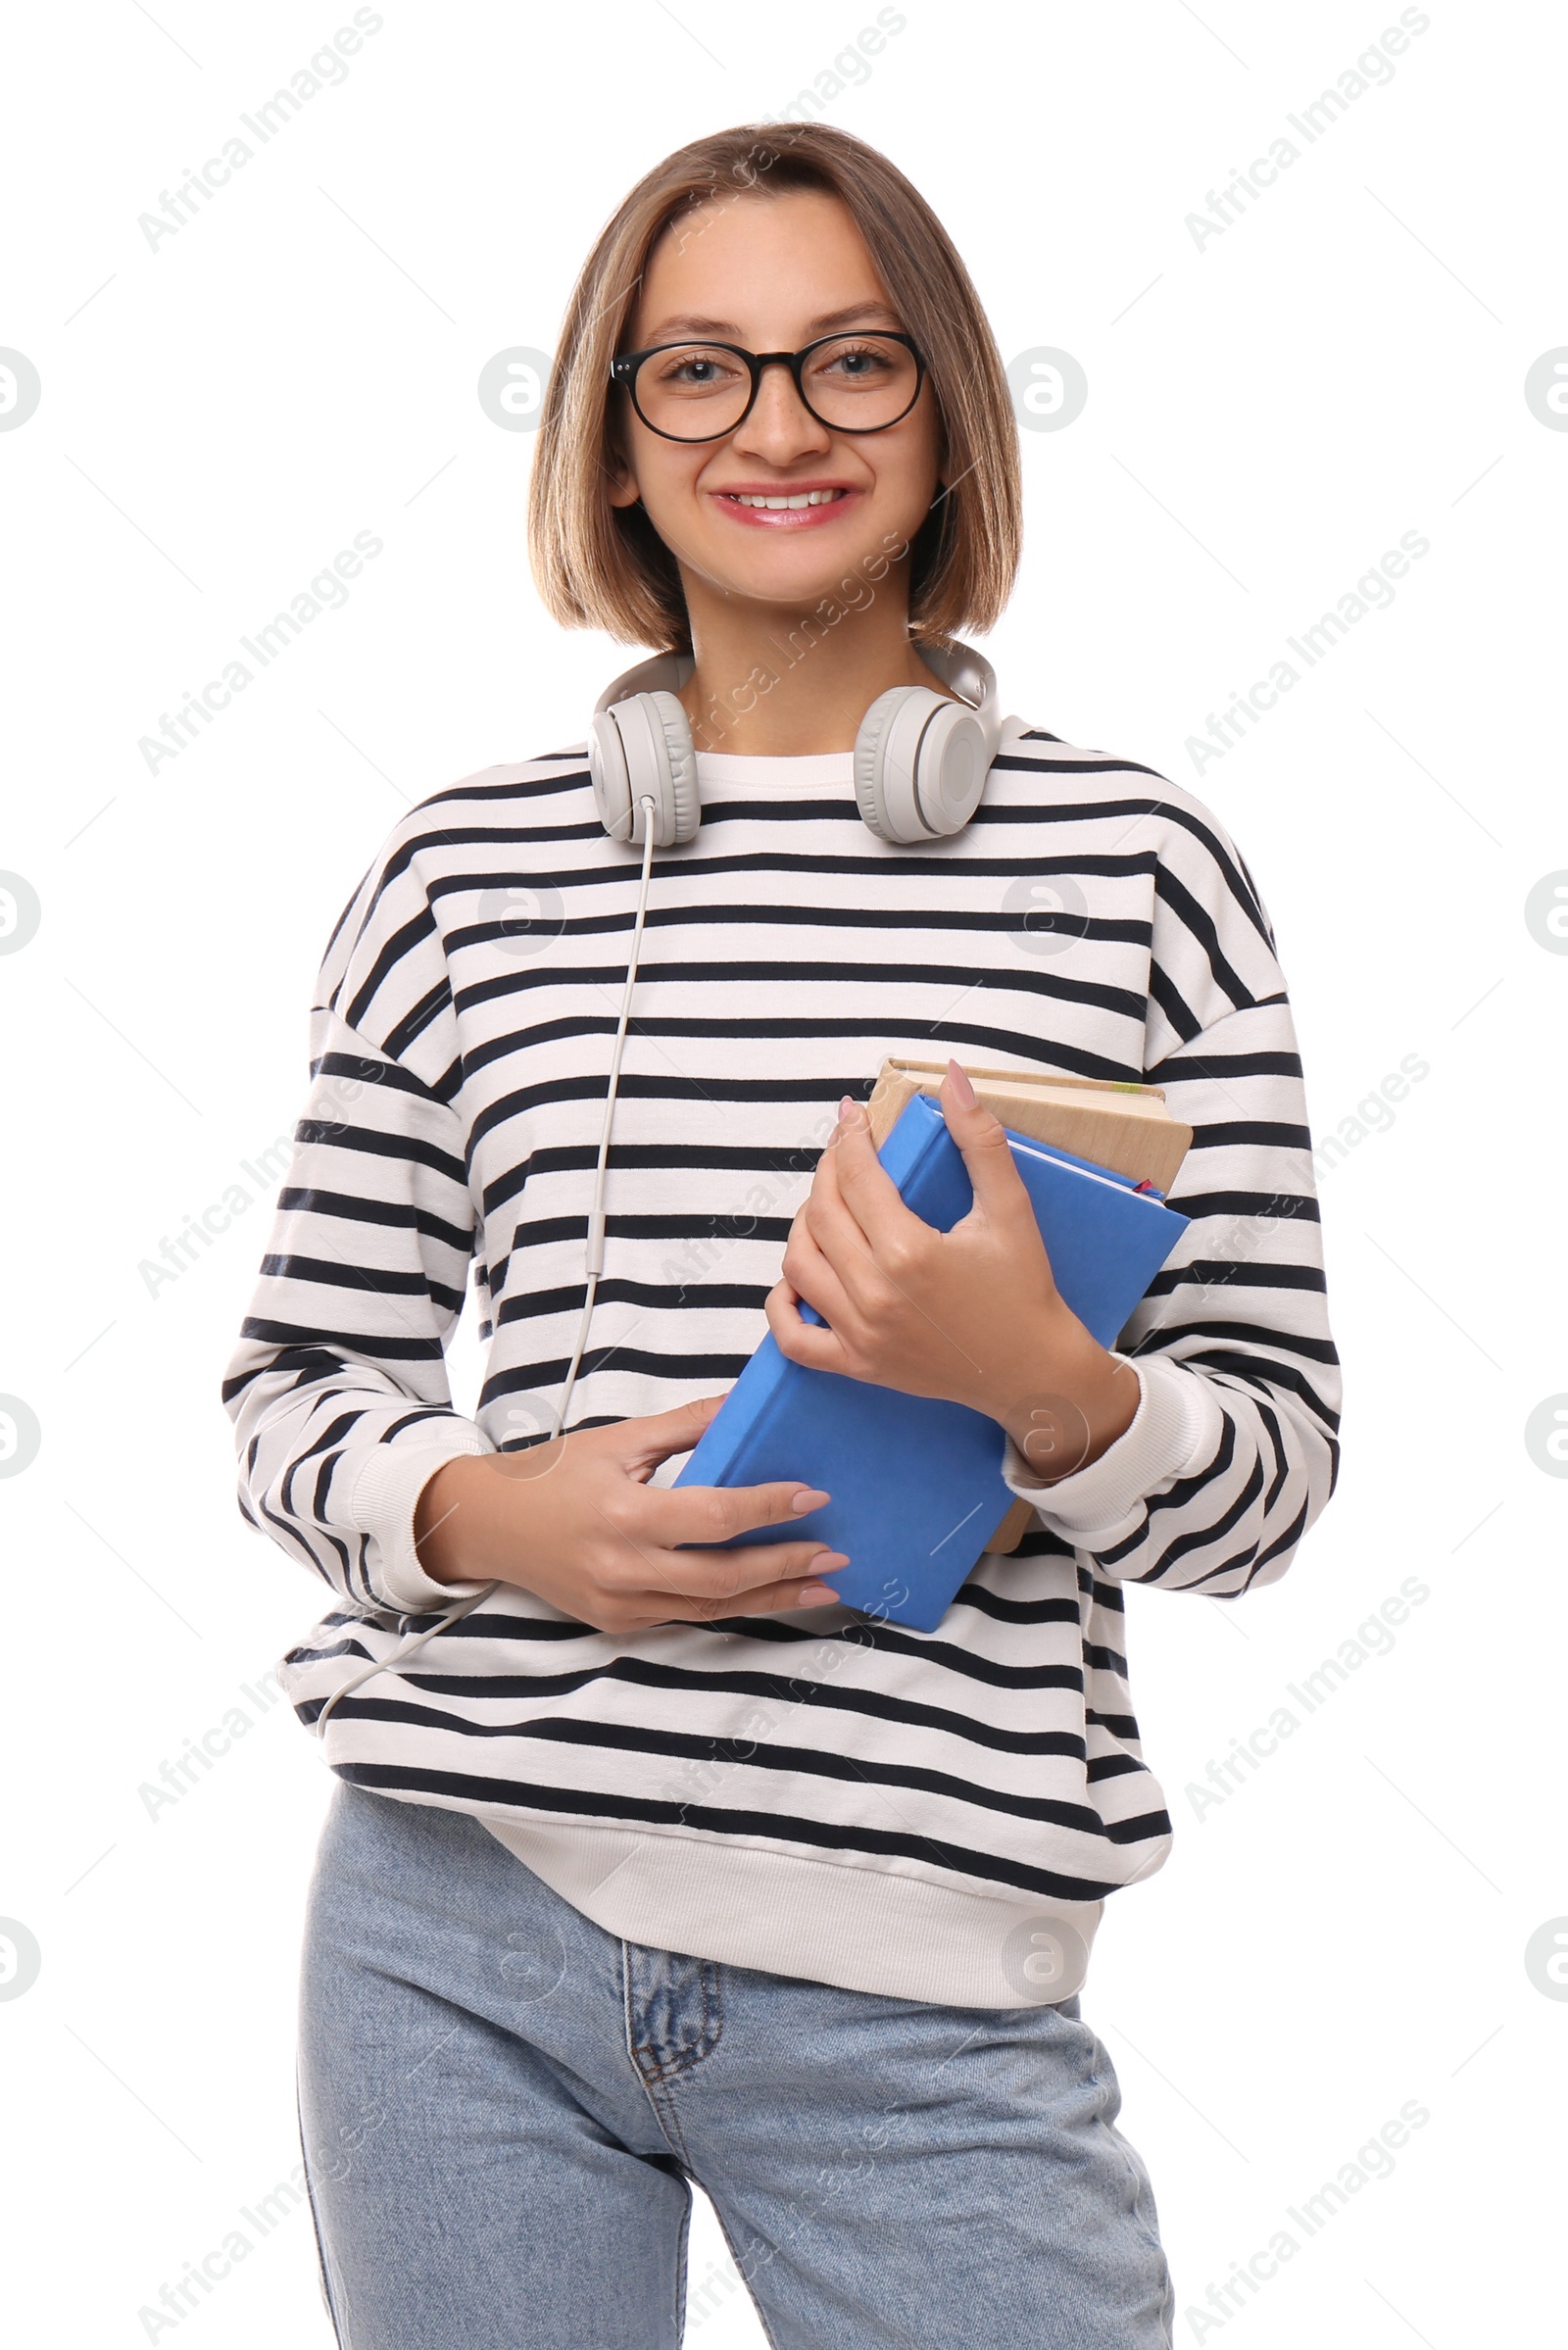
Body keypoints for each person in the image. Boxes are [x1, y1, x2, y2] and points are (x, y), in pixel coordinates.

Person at [222, 119, 1341, 2350]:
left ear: (940, 411)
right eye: (696, 372)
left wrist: (1039, 1376)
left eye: (847, 362)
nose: (777, 426)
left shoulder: (1137, 866)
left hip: (926, 1976)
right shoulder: (461, 873)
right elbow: (290, 1391)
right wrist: (479, 1505)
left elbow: (1272, 1473)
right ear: (615, 444)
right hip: (456, 1928)